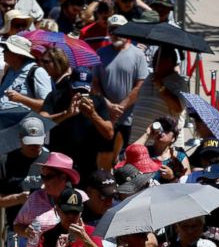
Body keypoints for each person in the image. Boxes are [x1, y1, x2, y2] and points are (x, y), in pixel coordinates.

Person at [40, 64, 115, 182]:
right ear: (69, 84)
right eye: (75, 90)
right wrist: (66, 113)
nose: (78, 94)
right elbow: (41, 123)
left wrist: (93, 115)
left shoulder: (97, 101)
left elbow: (109, 133)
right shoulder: (55, 97)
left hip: (86, 164)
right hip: (59, 163)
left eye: (83, 91)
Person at [95, 16, 149, 149]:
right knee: (104, 155)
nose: (116, 33)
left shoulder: (138, 55)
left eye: (120, 29)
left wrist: (120, 108)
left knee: (127, 155)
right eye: (112, 30)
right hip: (105, 118)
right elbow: (95, 84)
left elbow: (140, 84)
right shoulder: (100, 53)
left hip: (129, 119)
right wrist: (108, 105)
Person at [0, 114, 49, 229]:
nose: (34, 146)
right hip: (16, 227)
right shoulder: (6, 162)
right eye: (29, 142)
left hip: (46, 228)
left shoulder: (51, 161)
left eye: (37, 141)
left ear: (44, 138)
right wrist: (18, 198)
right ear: (20, 138)